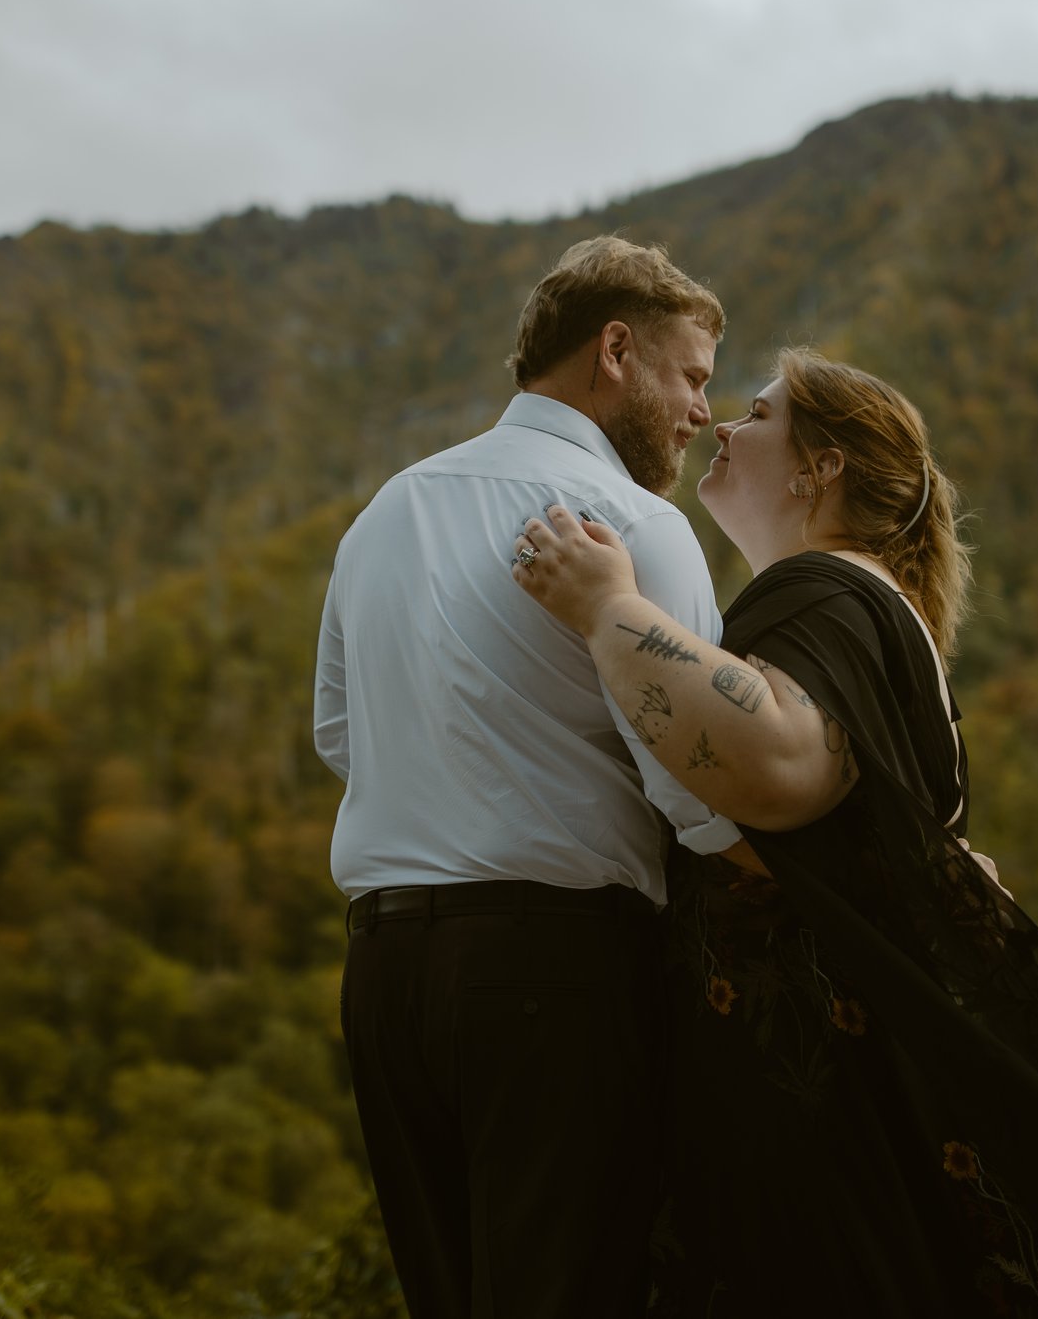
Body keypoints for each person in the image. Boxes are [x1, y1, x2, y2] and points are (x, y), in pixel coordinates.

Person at [511, 347, 1038, 1319]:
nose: (720, 426)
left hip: (823, 1109)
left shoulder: (824, 593)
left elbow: (775, 761)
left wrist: (604, 605)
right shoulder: (876, 606)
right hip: (872, 1092)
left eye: (755, 412)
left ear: (817, 467)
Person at [311, 235, 747, 1319]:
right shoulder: (640, 525)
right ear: (616, 352)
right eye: (691, 374)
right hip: (557, 974)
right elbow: (701, 783)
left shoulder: (385, 512)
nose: (702, 409)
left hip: (384, 978)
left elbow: (338, 731)